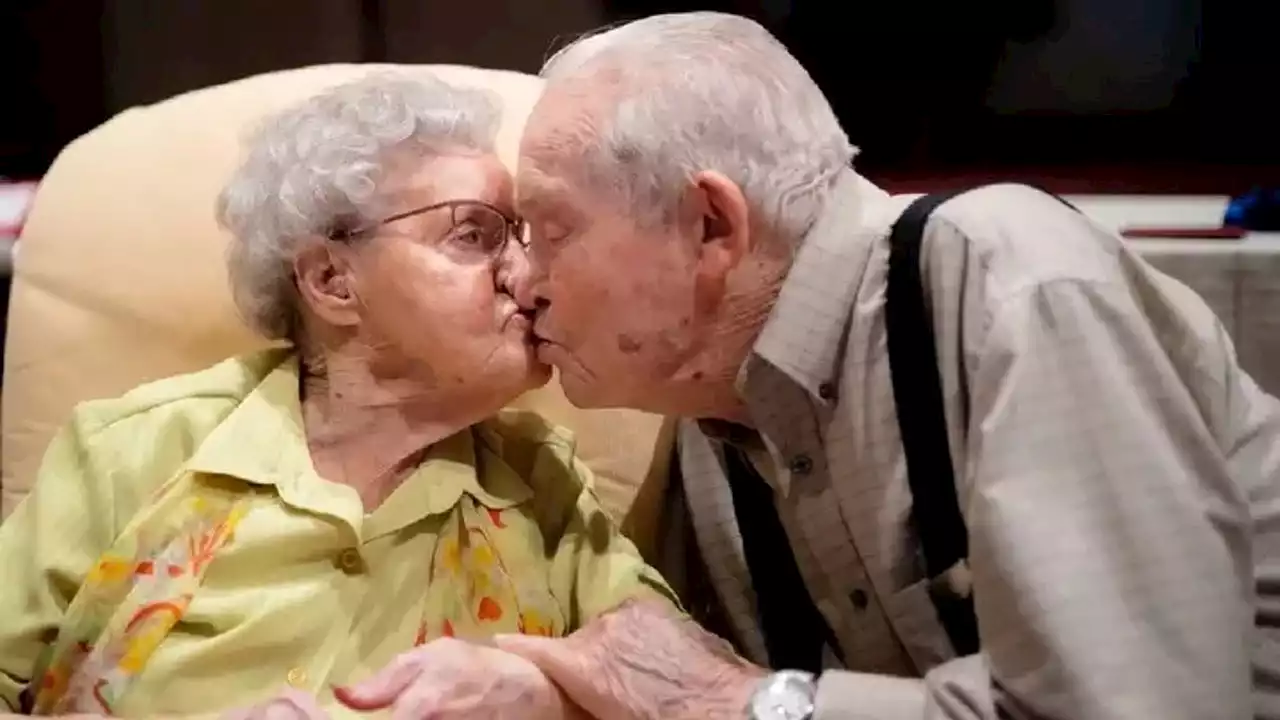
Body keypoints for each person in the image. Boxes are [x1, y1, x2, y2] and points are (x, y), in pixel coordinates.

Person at [477, 11, 1280, 720]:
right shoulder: (711, 414)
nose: (520, 280)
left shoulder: (1006, 279)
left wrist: (735, 701)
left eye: (550, 230)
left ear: (712, 226)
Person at [0, 72, 674, 719]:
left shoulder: (543, 489)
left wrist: (549, 702)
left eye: (523, 237)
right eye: (474, 235)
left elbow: (684, 691)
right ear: (331, 280)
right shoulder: (133, 453)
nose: (528, 278)